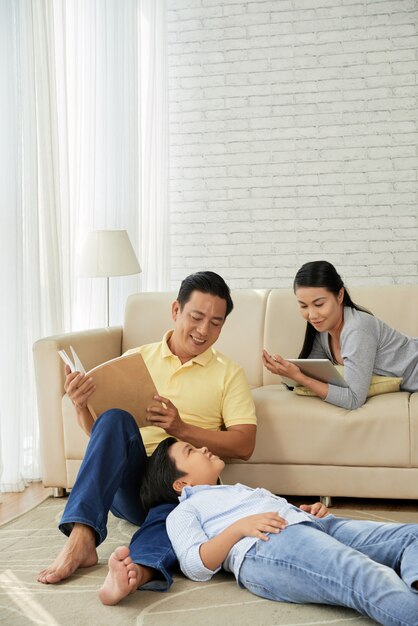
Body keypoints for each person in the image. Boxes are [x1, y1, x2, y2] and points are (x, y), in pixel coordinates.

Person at [38, 270, 323, 595]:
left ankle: (140, 570)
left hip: (186, 489)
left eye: (215, 322)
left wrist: (181, 428)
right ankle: (82, 538)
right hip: (133, 486)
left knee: (177, 522)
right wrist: (80, 406)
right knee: (115, 417)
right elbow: (104, 438)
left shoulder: (229, 374)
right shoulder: (136, 360)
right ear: (176, 311)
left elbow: (245, 444)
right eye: (196, 317)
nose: (204, 330)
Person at [100, 437, 418, 625]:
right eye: (190, 451)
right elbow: (196, 566)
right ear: (181, 483)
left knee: (411, 536)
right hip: (268, 545)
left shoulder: (232, 490)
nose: (204, 448)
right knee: (368, 577)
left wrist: (303, 511)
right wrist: (239, 529)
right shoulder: (184, 511)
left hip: (311, 526)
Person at [262, 260, 418, 410]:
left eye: (319, 304)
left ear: (340, 295)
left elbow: (353, 400)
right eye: (303, 305)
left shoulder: (357, 328)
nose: (312, 315)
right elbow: (313, 374)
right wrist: (285, 371)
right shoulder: (323, 333)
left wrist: (299, 377)